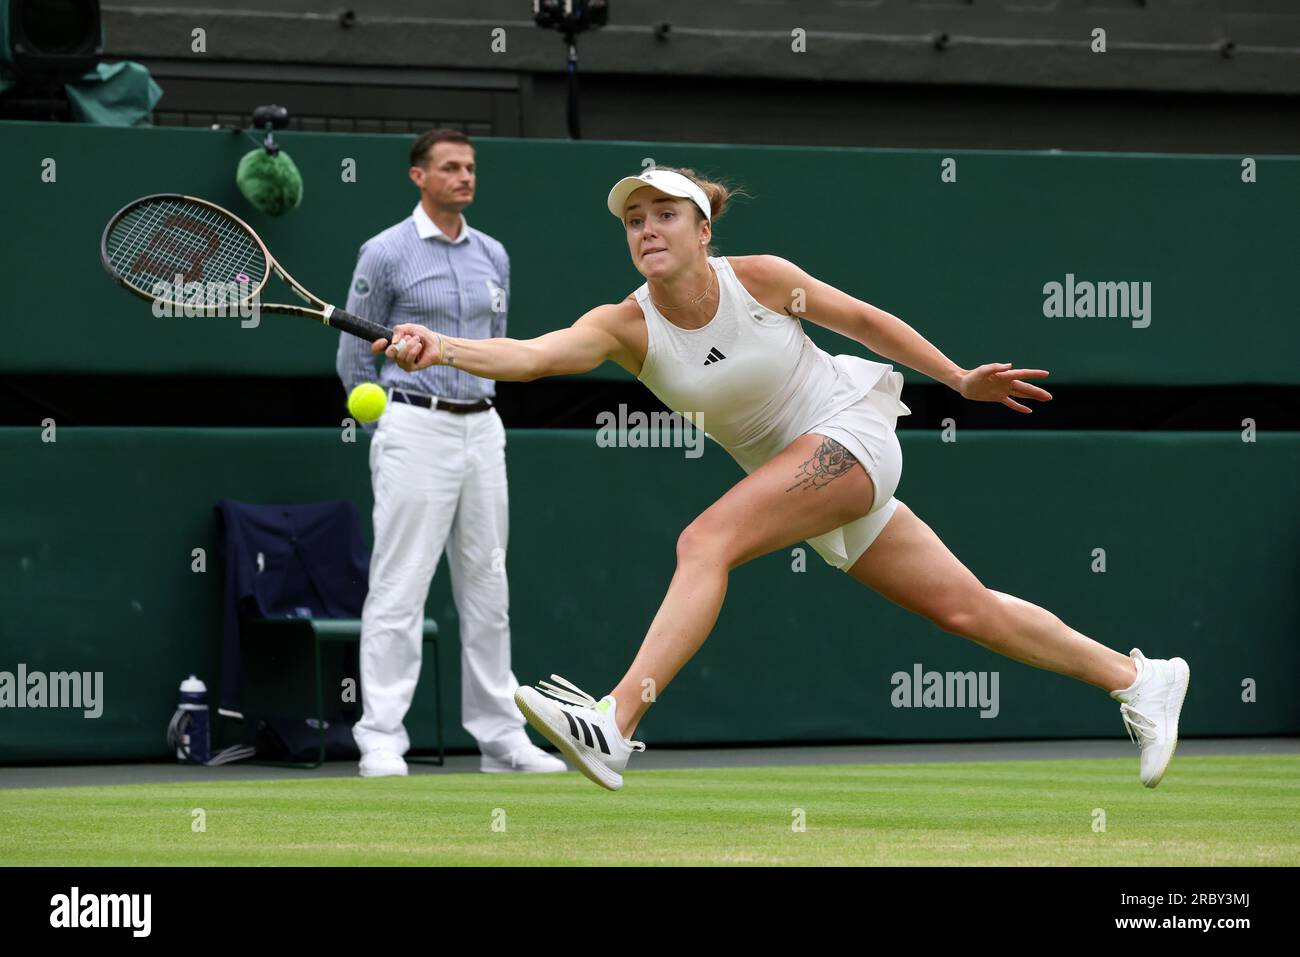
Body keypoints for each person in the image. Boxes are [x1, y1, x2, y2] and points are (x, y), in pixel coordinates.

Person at [373, 165, 1190, 792]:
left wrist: (956, 378)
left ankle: (616, 720)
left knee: (706, 539)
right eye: (634, 220)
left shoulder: (759, 278)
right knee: (965, 608)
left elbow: (864, 322)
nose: (647, 229)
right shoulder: (622, 325)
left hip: (853, 431)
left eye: (664, 215)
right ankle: (1139, 677)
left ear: (702, 230)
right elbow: (534, 358)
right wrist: (441, 347)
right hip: (803, 477)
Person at [336, 128, 565, 777]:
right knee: (400, 584)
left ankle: (500, 737)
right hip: (412, 425)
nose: (465, 177)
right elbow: (354, 356)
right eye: (450, 167)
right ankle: (381, 736)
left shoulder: (494, 254)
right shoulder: (383, 253)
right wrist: (384, 423)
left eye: (470, 167)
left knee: (489, 585)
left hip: (484, 429)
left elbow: (497, 344)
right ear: (419, 175)